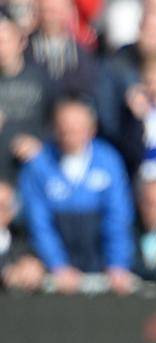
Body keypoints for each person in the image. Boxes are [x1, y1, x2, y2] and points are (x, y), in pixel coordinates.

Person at [16, 95, 135, 294]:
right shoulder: (39, 164)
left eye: (76, 127)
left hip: (99, 260)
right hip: (56, 266)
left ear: (91, 128)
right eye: (63, 126)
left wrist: (117, 263)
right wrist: (58, 265)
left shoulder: (108, 160)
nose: (68, 132)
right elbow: (39, 222)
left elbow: (118, 216)